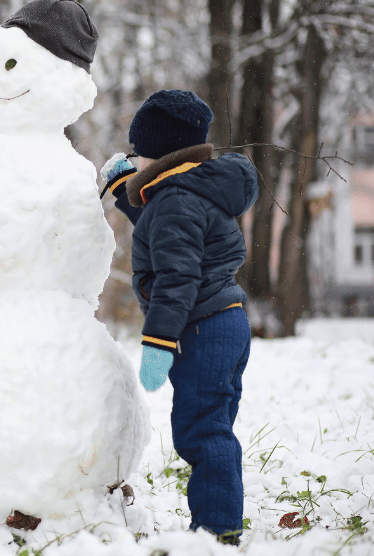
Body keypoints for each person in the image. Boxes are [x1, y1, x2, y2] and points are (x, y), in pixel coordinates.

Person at [98, 90, 258, 544]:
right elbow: (165, 226)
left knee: (201, 430)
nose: (134, 158)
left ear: (161, 154)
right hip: (225, 320)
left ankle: (216, 531)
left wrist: (158, 343)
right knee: (213, 423)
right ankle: (219, 519)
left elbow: (177, 275)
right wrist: (124, 190)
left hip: (201, 326)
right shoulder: (193, 189)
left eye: (139, 152)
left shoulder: (175, 201)